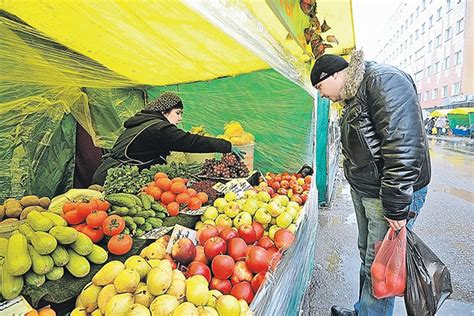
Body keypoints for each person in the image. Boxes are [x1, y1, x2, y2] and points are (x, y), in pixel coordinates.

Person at [311, 51, 431, 316]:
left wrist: (397, 205)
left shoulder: (382, 80)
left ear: (334, 74)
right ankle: (364, 310)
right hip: (367, 190)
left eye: (320, 86)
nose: (321, 94)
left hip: (386, 194)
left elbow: (403, 144)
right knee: (369, 256)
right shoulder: (354, 93)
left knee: (381, 265)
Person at [92, 92, 238, 185]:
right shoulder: (159, 128)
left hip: (107, 173)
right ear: (164, 111)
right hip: (114, 180)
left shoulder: (144, 123)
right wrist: (225, 145)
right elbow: (190, 142)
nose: (180, 118)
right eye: (178, 113)